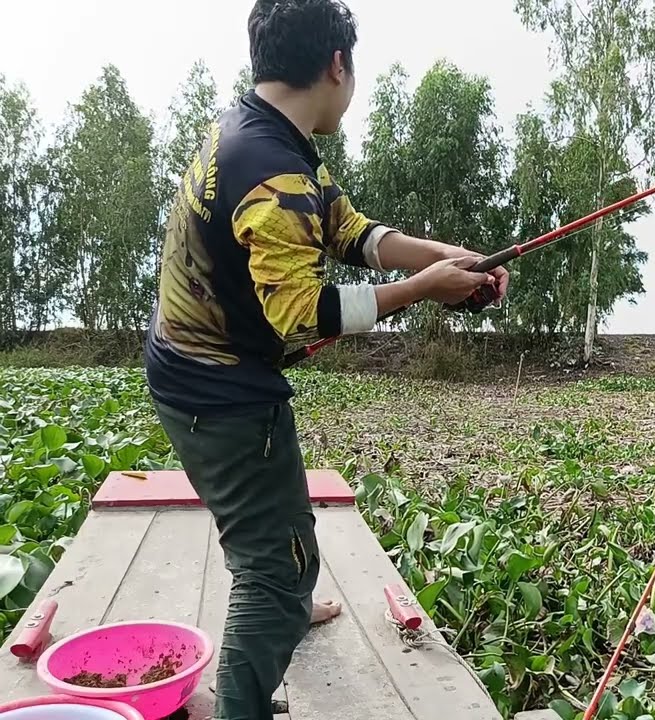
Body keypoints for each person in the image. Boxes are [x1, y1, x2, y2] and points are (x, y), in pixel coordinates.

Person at [143, 1, 509, 717]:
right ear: (337, 64)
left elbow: (351, 232)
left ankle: (283, 591)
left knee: (279, 544)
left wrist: (445, 257)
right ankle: (261, 647)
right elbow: (303, 315)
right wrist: (423, 290)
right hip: (220, 393)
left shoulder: (261, 132)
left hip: (196, 372)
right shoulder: (272, 173)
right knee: (273, 574)